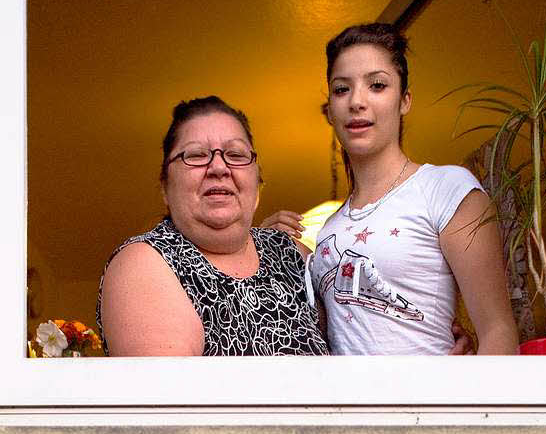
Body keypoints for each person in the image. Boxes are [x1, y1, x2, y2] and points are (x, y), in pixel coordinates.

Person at [265, 23, 518, 356]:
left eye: (377, 85)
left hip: (429, 405)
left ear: (404, 100)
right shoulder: (328, 232)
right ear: (330, 109)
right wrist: (265, 253)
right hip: (347, 407)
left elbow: (498, 331)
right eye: (342, 89)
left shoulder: (446, 189)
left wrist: (469, 402)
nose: (357, 101)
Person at [98, 96, 328, 356]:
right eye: (196, 155)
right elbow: (169, 393)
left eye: (236, 154)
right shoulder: (145, 262)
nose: (219, 167)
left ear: (258, 184)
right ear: (165, 187)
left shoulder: (292, 255)